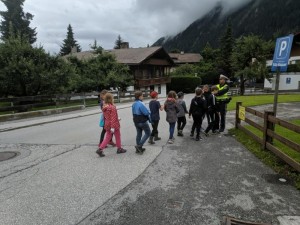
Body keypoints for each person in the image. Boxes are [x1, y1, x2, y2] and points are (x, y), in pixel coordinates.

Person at [96, 93, 126, 157]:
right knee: (118, 136)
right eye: (113, 98)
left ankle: (100, 149)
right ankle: (119, 148)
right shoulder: (112, 107)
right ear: (110, 99)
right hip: (114, 124)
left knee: (107, 137)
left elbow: (108, 116)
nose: (113, 99)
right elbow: (112, 118)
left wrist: (117, 118)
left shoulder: (105, 107)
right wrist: (113, 126)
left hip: (107, 124)